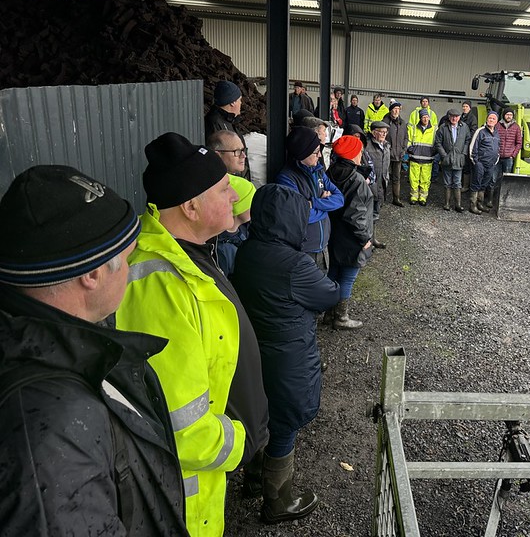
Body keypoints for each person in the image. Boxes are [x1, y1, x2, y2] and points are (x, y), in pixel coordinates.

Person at [0, 165, 187, 537]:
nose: (132, 270)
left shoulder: (74, 347)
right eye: (128, 258)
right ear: (93, 274)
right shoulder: (52, 428)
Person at [115, 132, 269, 536]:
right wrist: (238, 443)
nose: (234, 197)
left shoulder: (190, 253)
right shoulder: (158, 286)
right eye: (223, 191)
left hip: (208, 480)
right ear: (191, 206)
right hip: (187, 499)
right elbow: (181, 426)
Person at [232, 184, 339, 524]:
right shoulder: (295, 264)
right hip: (288, 361)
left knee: (259, 415)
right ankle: (278, 500)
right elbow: (329, 295)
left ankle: (252, 480)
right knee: (284, 425)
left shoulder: (247, 251)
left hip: (254, 354)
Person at [276, 126, 344, 271]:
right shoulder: (287, 179)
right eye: (316, 152)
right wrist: (325, 206)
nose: (319, 155)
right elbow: (301, 216)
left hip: (323, 247)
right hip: (304, 251)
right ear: (303, 153)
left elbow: (340, 199)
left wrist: (314, 202)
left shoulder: (318, 172)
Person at [326, 135, 374, 329]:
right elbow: (357, 214)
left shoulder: (330, 172)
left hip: (334, 233)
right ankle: (341, 317)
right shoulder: (356, 180)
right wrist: (365, 238)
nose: (361, 154)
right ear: (353, 154)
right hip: (352, 237)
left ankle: (329, 313)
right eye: (359, 151)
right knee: (348, 276)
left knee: (334, 272)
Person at [205, 80, 250, 179]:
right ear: (233, 102)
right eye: (239, 99)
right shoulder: (215, 122)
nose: (241, 103)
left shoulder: (229, 120)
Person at [218, 174, 256, 278]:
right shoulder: (221, 248)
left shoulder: (246, 230)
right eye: (251, 202)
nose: (255, 207)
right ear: (238, 206)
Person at [434, 108, 470, 212]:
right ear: (449, 117)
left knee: (457, 183)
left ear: (459, 117)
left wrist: (463, 153)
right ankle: (447, 204)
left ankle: (458, 205)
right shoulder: (443, 128)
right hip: (447, 159)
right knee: (447, 182)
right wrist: (444, 155)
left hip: (459, 159)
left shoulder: (464, 127)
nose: (454, 118)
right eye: (452, 116)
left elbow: (468, 140)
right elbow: (438, 142)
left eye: (456, 116)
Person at [365, 120, 391, 247]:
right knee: (367, 216)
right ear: (373, 132)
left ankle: (373, 239)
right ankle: (366, 242)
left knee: (376, 214)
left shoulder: (386, 145)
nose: (383, 134)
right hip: (370, 186)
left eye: (385, 132)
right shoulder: (367, 146)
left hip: (382, 185)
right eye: (381, 132)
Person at [468, 110, 500, 214]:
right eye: (490, 118)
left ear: (497, 121)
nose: (491, 120)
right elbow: (473, 147)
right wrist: (476, 161)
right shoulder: (480, 131)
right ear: (487, 119)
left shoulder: (496, 133)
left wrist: (496, 160)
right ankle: (472, 206)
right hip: (480, 163)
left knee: (484, 184)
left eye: (493, 119)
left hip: (491, 164)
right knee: (476, 184)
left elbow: (498, 148)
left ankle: (480, 204)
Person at [406, 108, 436, 206]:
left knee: (425, 179)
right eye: (423, 117)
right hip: (415, 157)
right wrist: (410, 149)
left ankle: (423, 197)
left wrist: (433, 152)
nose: (425, 119)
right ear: (420, 118)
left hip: (427, 158)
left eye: (427, 117)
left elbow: (437, 143)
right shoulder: (414, 128)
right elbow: (408, 140)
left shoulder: (434, 130)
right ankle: (414, 196)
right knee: (413, 178)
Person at [383, 100, 407, 207]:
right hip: (387, 154)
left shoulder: (403, 123)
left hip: (398, 155)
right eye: (394, 109)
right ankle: (381, 198)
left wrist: (404, 149)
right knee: (384, 177)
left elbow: (406, 137)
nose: (396, 111)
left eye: (398, 109)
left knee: (397, 178)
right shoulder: (385, 122)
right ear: (391, 110)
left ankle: (396, 198)